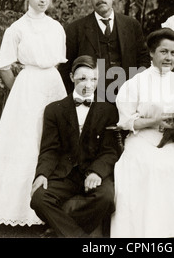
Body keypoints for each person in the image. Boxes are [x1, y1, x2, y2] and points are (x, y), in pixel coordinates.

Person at [0, 0, 67, 226]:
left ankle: (52, 203)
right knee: (26, 143)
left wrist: (48, 84)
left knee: (52, 139)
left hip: (53, 84)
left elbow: (56, 63)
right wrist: (19, 90)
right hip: (27, 87)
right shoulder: (17, 28)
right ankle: (19, 210)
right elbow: (4, 65)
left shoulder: (57, 27)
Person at [110, 28, 174, 238]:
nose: (168, 57)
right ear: (151, 53)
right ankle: (148, 233)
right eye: (163, 52)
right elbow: (126, 121)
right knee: (148, 167)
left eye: (173, 53)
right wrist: (154, 121)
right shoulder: (134, 83)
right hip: (142, 139)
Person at [30, 55, 119, 237]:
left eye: (94, 79)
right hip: (66, 174)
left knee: (107, 197)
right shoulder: (54, 110)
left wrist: (97, 172)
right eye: (82, 79)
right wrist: (42, 174)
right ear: (71, 78)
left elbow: (110, 151)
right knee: (39, 198)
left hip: (93, 172)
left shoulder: (109, 110)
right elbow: (49, 149)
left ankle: (58, 230)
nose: (88, 85)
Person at [59, 0, 150, 102]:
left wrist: (136, 88)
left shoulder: (131, 25)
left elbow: (143, 59)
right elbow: (66, 69)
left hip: (127, 98)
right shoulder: (75, 29)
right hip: (92, 100)